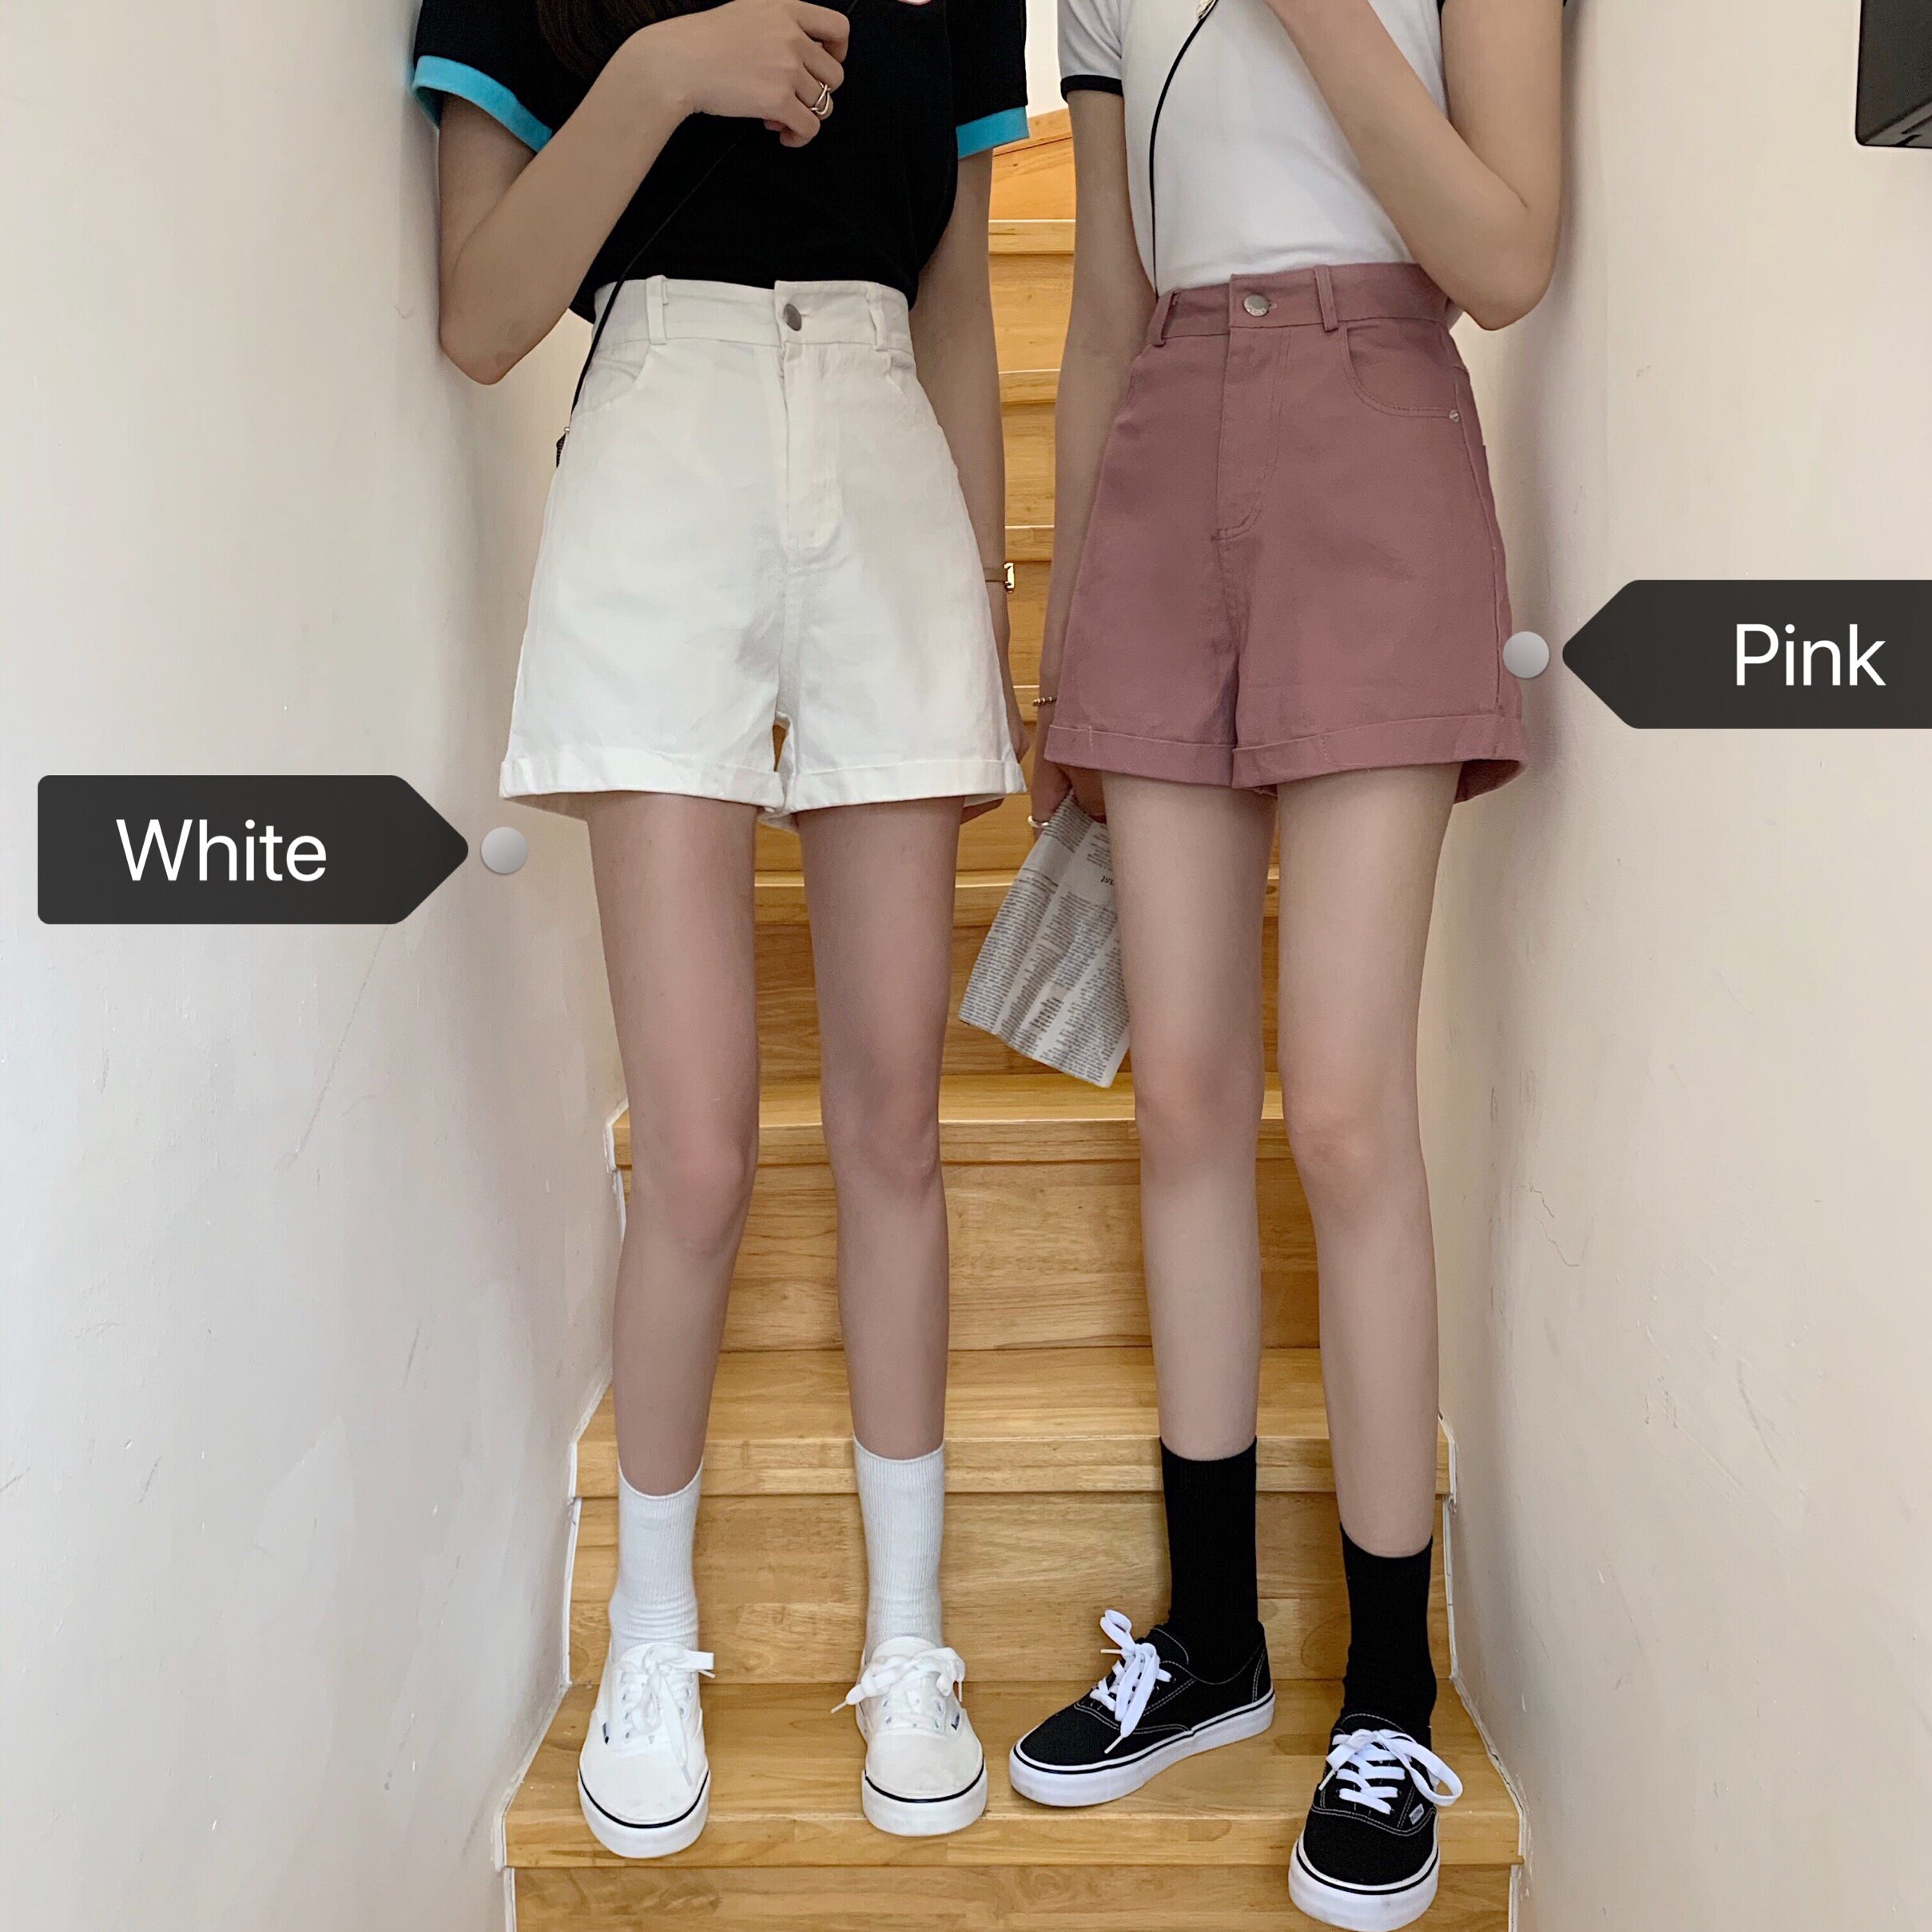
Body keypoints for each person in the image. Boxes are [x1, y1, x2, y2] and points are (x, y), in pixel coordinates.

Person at [412, 0, 1030, 1858]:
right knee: (692, 1152)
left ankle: (908, 1641)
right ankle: (651, 1633)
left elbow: (957, 305)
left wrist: (981, 609)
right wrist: (669, 69)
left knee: (893, 1128)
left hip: (886, 456)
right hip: (659, 440)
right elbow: (482, 313)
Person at [1004, 0, 1561, 1923]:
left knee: (1340, 1111)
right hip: (1162, 457)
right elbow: (1102, 305)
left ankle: (1390, 1692)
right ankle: (1217, 1641)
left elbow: (1505, 256)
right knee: (1176, 1098)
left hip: (1375, 414)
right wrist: (1064, 639)